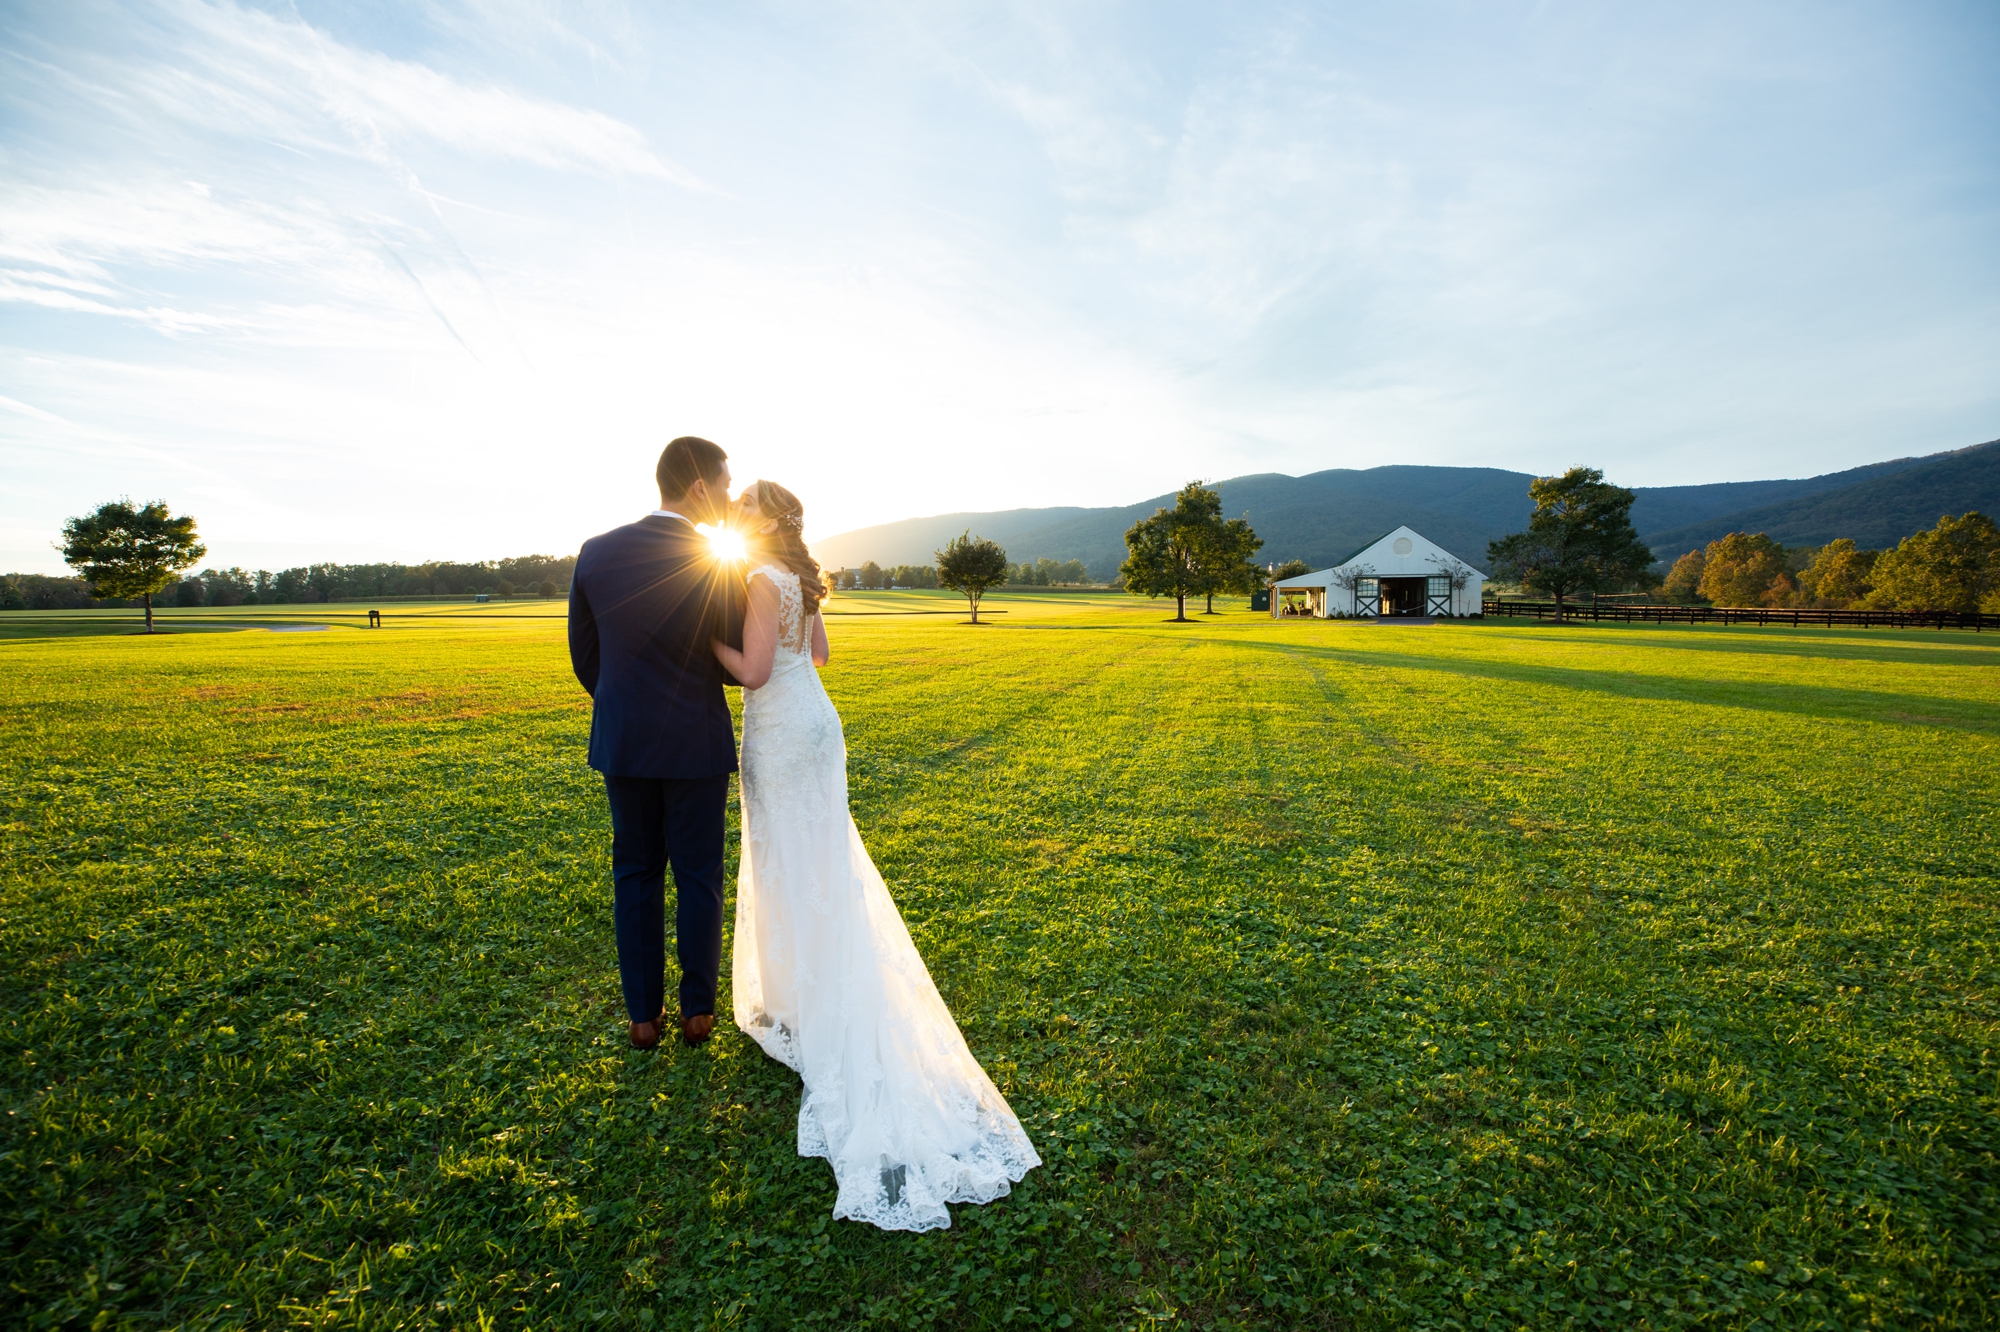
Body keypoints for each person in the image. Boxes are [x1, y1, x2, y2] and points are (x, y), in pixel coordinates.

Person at [712, 479, 1040, 1233]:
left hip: (781, 733)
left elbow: (754, 672)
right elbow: (816, 656)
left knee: (786, 862)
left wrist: (709, 644)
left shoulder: (761, 577)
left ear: (766, 518)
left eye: (747, 506)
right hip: (820, 726)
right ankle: (812, 986)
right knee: (821, 859)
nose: (737, 514)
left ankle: (800, 1000)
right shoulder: (800, 577)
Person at [567, 436, 745, 1050]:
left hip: (625, 742)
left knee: (635, 872)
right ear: (698, 486)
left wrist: (628, 706)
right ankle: (698, 1013)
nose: (728, 494)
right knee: (699, 875)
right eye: (724, 483)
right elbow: (730, 656)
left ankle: (643, 1018)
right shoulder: (715, 559)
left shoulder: (596, 552)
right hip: (695, 740)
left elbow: (586, 659)